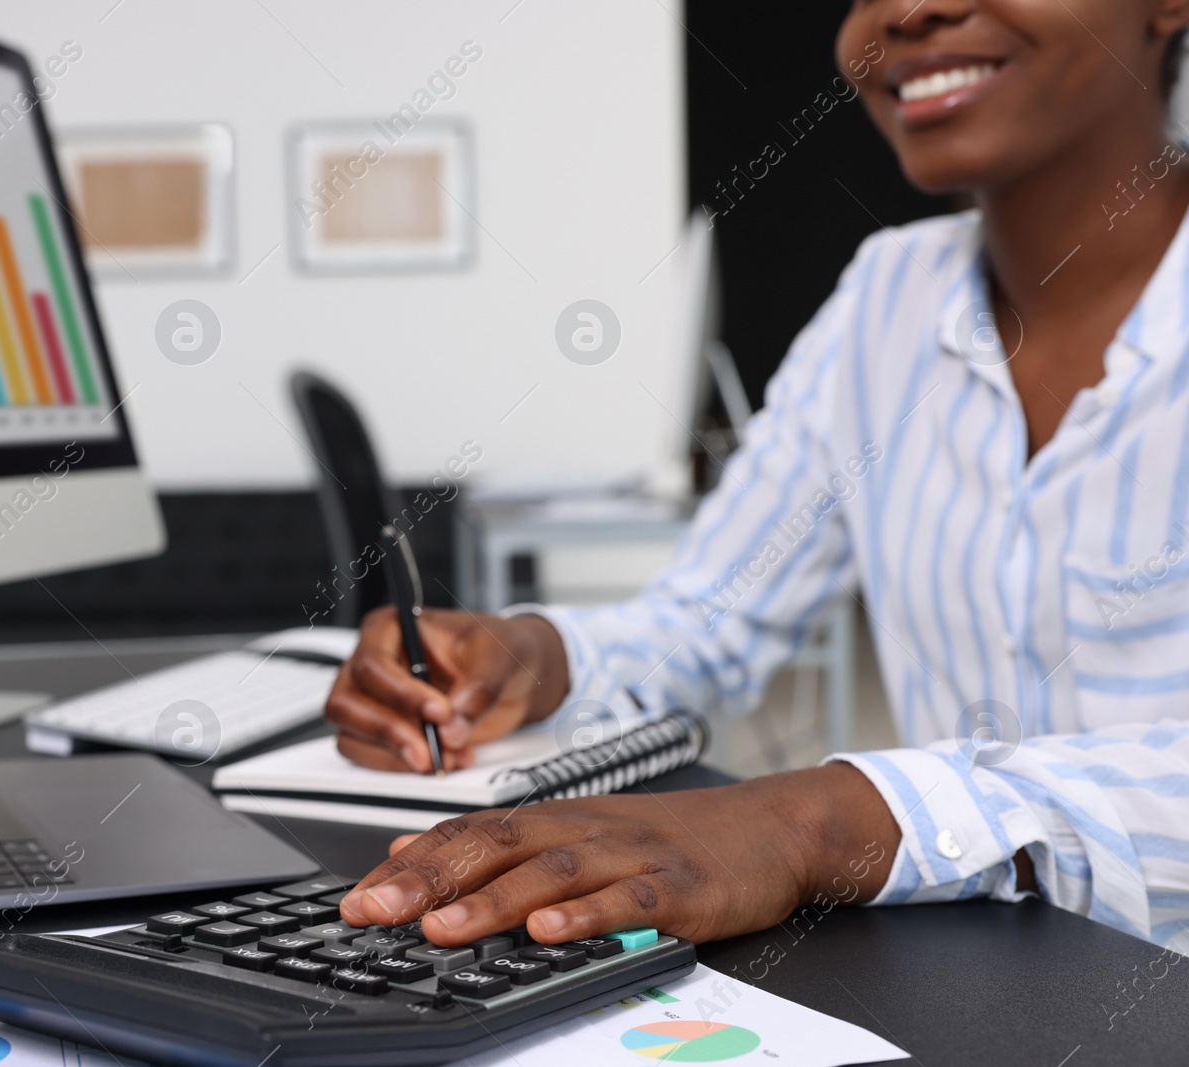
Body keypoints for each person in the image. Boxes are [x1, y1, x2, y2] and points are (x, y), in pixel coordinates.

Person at [332, 0, 1189, 956]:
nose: (909, 11)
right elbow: (706, 617)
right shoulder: (887, 298)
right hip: (986, 979)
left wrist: (819, 818)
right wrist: (529, 658)